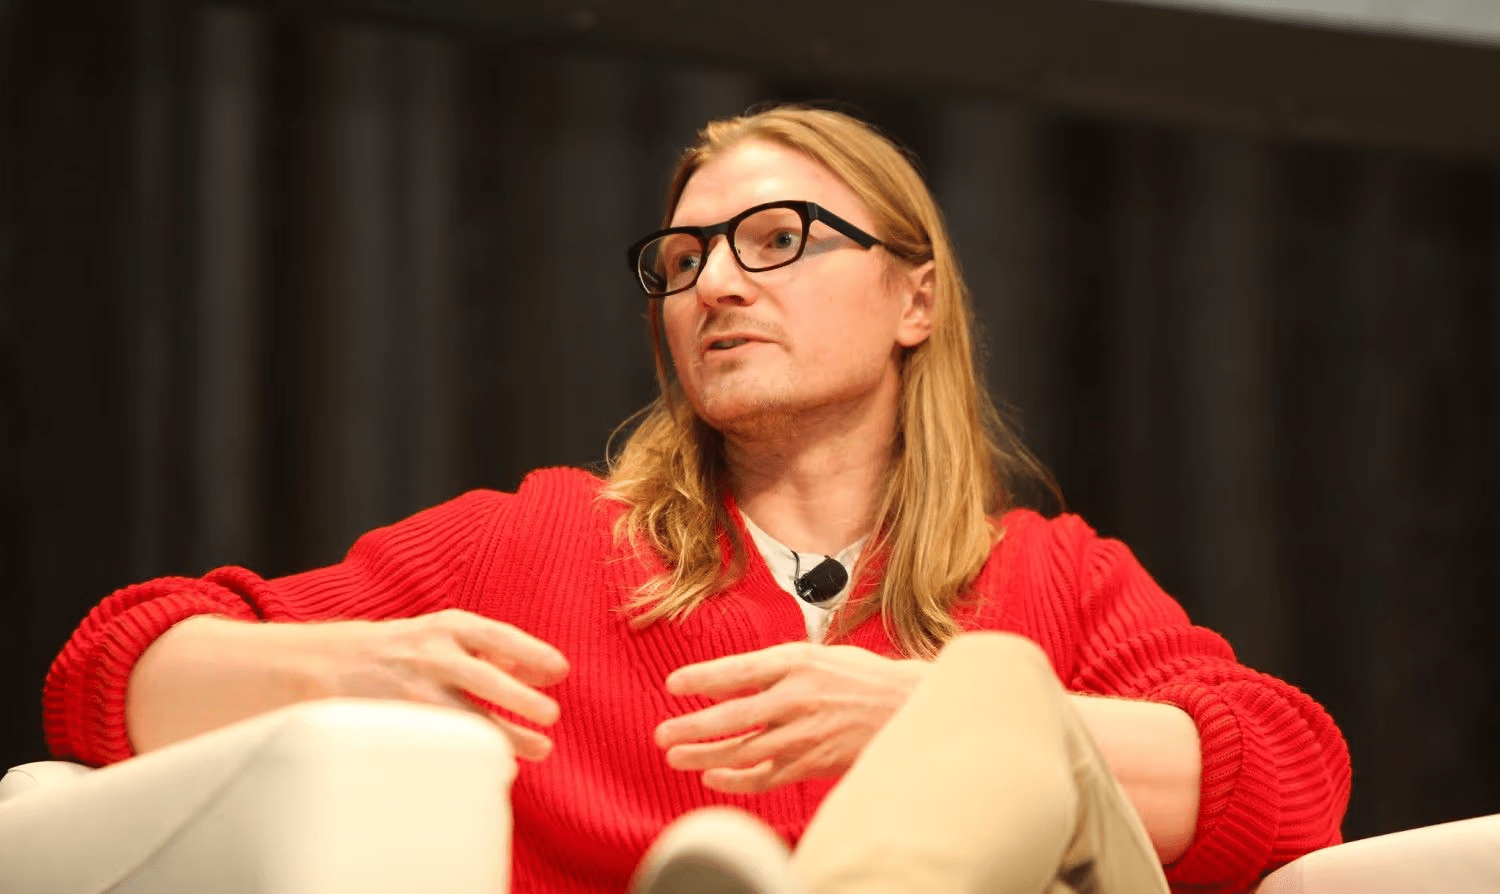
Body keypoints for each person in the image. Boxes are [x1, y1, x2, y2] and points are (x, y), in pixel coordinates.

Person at [43, 105, 1350, 894]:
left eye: (778, 240)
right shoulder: (538, 540)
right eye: (682, 259)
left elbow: (1292, 778)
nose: (715, 284)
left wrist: (933, 715)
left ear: (915, 298)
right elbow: (108, 670)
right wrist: (345, 667)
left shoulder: (1054, 573)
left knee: (1001, 689)